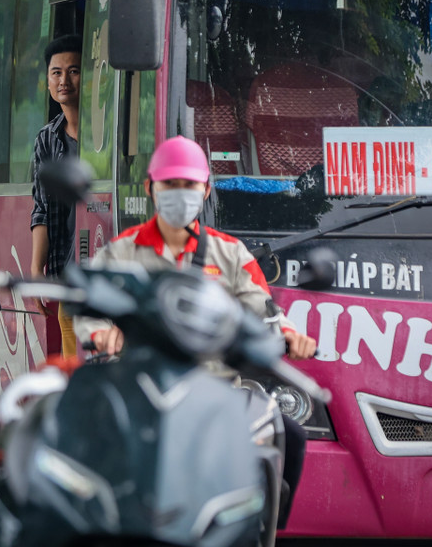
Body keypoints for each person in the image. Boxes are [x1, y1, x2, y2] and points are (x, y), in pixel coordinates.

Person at [75, 135, 316, 529]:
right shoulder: (122, 250)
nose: (180, 194)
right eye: (170, 184)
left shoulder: (230, 253)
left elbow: (265, 309)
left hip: (216, 394)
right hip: (140, 392)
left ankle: (263, 530)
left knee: (288, 434)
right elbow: (90, 303)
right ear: (151, 188)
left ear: (205, 190)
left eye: (189, 185)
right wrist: (102, 333)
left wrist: (289, 334)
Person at [30, 34, 82, 358]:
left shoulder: (109, 136)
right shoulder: (48, 139)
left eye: (74, 71)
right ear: (48, 81)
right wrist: (37, 268)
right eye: (56, 72)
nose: (64, 80)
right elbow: (42, 207)